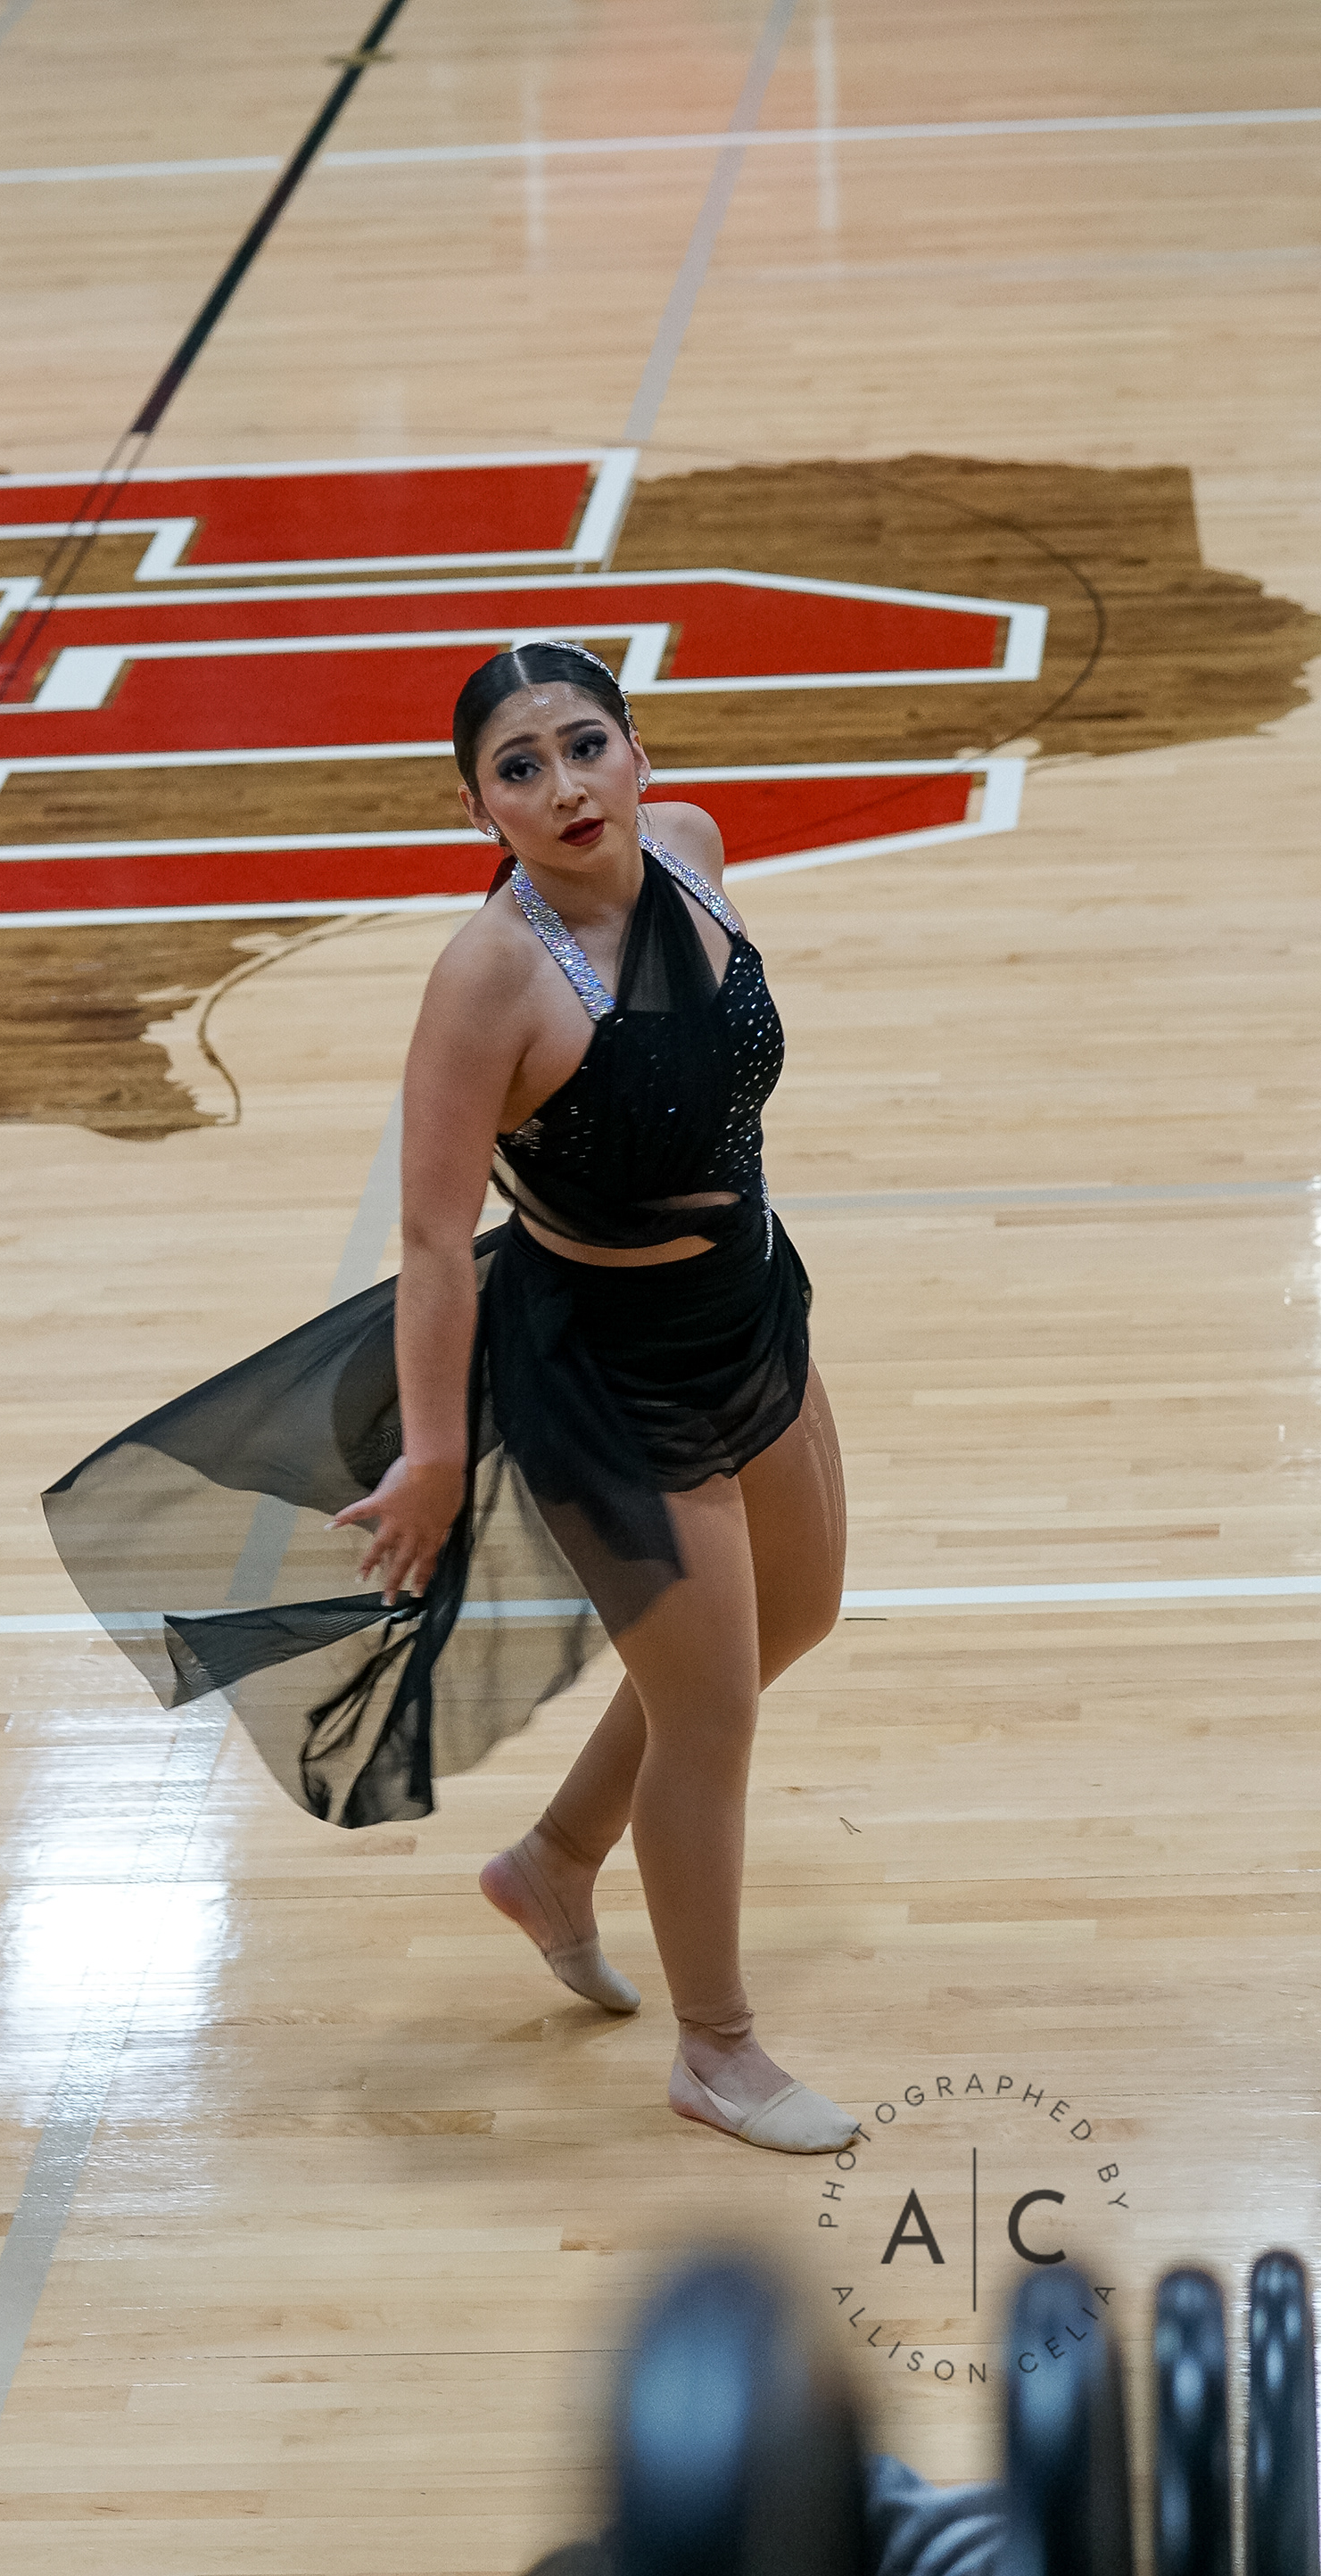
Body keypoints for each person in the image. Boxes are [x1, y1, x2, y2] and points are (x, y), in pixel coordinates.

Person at [43, 639, 855, 2154]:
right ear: (479, 807)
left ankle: (553, 1864)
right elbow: (429, 1240)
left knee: (791, 1621)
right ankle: (718, 2050)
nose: (567, 786)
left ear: (639, 754)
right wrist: (428, 1453)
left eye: (587, 744)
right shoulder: (489, 978)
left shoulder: (692, 853)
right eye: (520, 769)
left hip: (750, 1307)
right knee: (710, 1714)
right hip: (604, 1373)